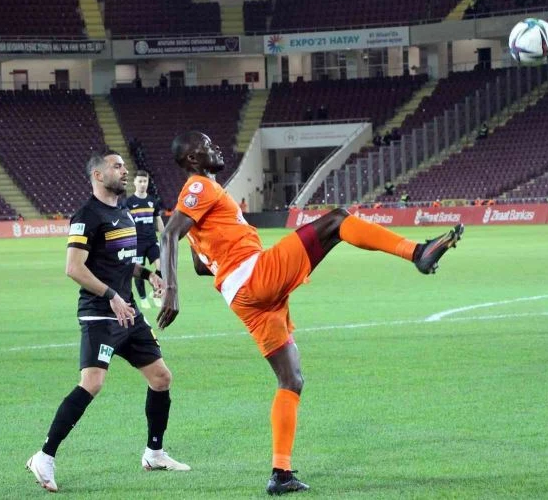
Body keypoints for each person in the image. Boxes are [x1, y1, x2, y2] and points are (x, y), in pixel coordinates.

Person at [158, 132, 464, 495]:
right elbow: (168, 236)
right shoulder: (200, 186)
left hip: (242, 297)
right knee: (337, 220)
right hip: (254, 277)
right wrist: (171, 290)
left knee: (291, 379)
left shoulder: (202, 205)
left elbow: (200, 265)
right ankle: (416, 252)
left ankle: (281, 473)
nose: (216, 147)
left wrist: (226, 252)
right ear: (193, 160)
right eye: (207, 146)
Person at [26, 151, 189, 493]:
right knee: (92, 383)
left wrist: (148, 274)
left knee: (161, 378)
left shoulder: (123, 212)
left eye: (124, 166)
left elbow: (120, 262)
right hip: (100, 313)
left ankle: (154, 454)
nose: (124, 170)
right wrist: (111, 295)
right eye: (117, 166)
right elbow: (74, 268)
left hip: (128, 312)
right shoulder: (86, 216)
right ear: (98, 175)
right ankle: (44, 456)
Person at [126, 170, 165, 310]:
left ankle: (156, 292)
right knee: (139, 271)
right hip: (136, 243)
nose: (143, 184)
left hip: (151, 240)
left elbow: (158, 220)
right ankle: (143, 298)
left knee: (161, 267)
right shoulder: (128, 203)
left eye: (145, 181)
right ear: (135, 182)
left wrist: (164, 237)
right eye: (140, 181)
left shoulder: (153, 201)